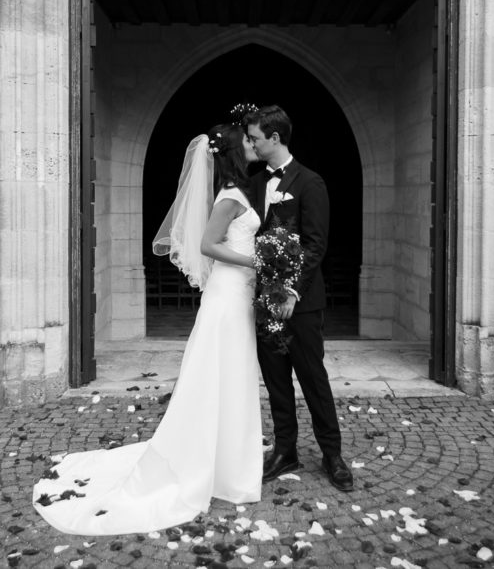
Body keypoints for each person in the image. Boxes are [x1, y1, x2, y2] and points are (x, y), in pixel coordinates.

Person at [32, 123, 263, 535]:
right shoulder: (229, 197)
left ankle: (229, 460)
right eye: (246, 140)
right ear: (232, 151)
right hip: (228, 295)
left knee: (233, 374)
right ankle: (214, 462)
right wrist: (256, 261)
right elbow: (207, 245)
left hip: (237, 292)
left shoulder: (237, 192)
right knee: (218, 372)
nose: (252, 143)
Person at [243, 105, 354, 493]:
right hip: (264, 302)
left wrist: (291, 290)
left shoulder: (310, 182)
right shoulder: (254, 184)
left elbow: (315, 243)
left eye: (255, 138)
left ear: (275, 138)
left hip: (302, 304)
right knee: (276, 381)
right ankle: (285, 450)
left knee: (313, 379)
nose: (252, 145)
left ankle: (332, 454)